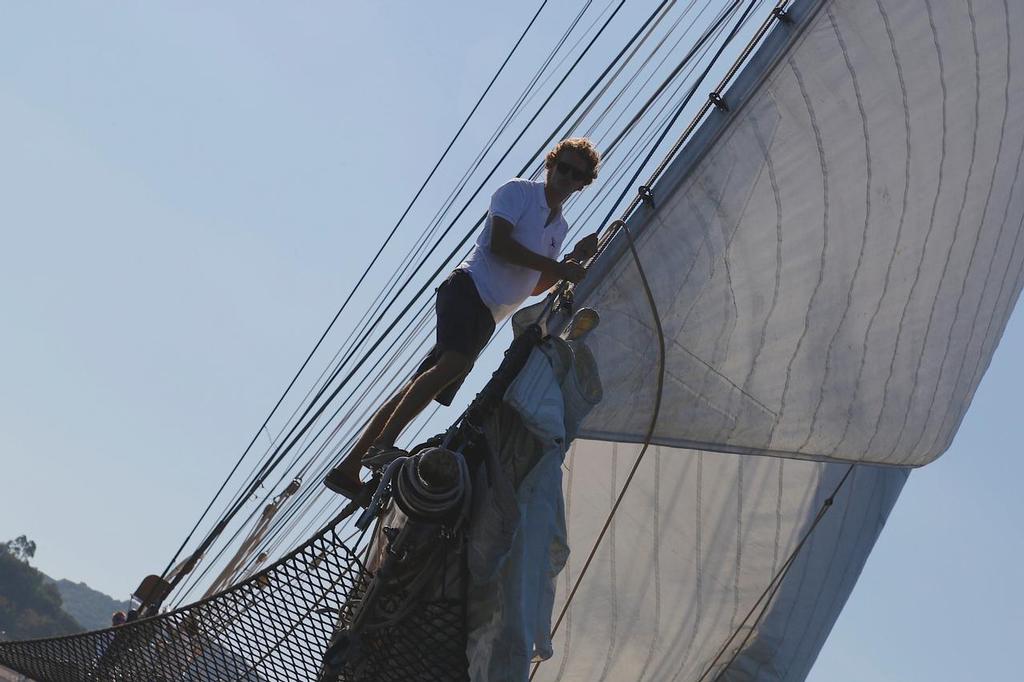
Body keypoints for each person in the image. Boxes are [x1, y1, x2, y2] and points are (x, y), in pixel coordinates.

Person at [324, 138, 602, 500]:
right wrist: (555, 266)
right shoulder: (518, 192)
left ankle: (349, 467)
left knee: (426, 383)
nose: (566, 177)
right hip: (467, 289)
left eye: (576, 174)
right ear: (550, 165)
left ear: (583, 184)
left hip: (488, 315)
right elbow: (500, 245)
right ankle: (382, 446)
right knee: (453, 364)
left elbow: (533, 287)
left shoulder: (559, 229)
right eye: (562, 167)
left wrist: (573, 263)